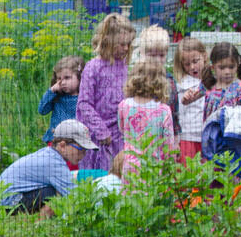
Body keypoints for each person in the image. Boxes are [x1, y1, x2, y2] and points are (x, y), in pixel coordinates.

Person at [0, 119, 98, 215]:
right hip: (7, 204)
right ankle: (38, 223)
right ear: (62, 146)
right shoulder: (54, 164)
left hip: (6, 198)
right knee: (58, 195)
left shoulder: (49, 154)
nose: (83, 154)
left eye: (86, 150)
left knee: (57, 191)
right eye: (80, 149)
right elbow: (75, 195)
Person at [76, 13, 136, 170]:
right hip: (97, 137)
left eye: (128, 44)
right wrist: (102, 131)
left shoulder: (125, 67)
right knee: (97, 178)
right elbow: (84, 104)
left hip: (120, 135)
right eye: (122, 44)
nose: (126, 48)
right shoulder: (93, 67)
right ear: (108, 41)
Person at [117, 59, 177, 178]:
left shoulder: (124, 105)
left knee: (130, 196)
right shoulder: (164, 110)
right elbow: (169, 144)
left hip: (130, 166)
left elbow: (122, 129)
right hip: (154, 166)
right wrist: (170, 168)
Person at [173, 36, 208, 161]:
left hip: (208, 137)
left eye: (195, 61)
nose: (192, 67)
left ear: (204, 56)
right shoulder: (182, 85)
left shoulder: (213, 81)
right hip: (188, 138)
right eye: (187, 64)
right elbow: (178, 114)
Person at [202, 41, 241, 121]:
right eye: (222, 68)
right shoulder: (208, 84)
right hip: (211, 131)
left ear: (238, 64)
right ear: (213, 67)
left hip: (233, 131)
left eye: (231, 67)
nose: (227, 72)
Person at [39, 55, 83, 143]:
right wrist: (51, 91)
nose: (62, 82)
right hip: (55, 140)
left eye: (67, 78)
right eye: (59, 78)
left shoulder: (83, 98)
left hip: (76, 141)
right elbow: (42, 110)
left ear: (79, 77)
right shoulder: (56, 96)